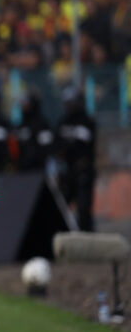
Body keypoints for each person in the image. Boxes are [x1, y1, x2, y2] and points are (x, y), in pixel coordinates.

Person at [57, 86, 96, 231]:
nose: (69, 106)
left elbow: (87, 146)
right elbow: (57, 146)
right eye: (67, 103)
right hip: (67, 171)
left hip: (83, 171)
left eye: (71, 102)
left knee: (84, 209)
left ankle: (87, 238)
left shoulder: (87, 121)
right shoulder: (63, 122)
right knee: (60, 206)